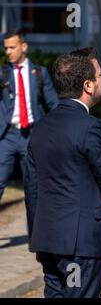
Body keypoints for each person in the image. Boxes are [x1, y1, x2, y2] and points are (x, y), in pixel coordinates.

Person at [24, 47, 101, 298]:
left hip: (48, 239)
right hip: (80, 243)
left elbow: (32, 189)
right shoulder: (91, 127)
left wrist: (36, 236)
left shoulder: (40, 127)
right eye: (100, 75)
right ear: (88, 85)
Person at [0, 28, 59, 203]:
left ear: (23, 46)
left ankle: (35, 231)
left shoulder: (39, 73)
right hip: (6, 136)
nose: (8, 51)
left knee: (34, 188)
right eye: (6, 48)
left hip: (32, 136)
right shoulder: (3, 73)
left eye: (12, 47)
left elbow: (53, 104)